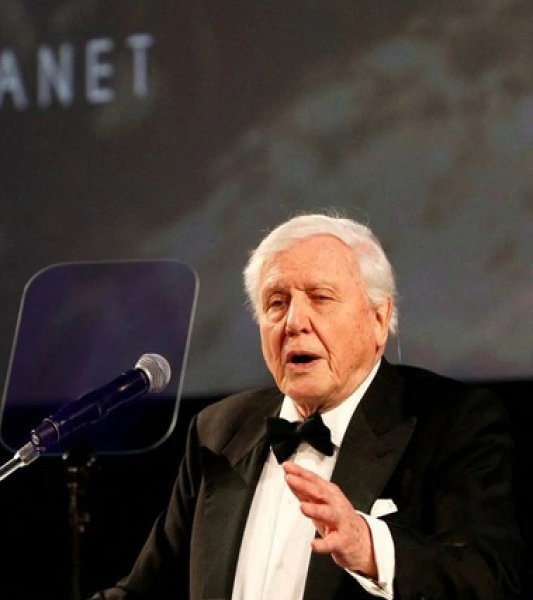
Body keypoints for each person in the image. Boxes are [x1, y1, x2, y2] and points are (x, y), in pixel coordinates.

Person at [89, 212, 525, 599]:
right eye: (276, 303)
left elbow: (488, 580)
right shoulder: (218, 431)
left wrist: (370, 548)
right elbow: (150, 589)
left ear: (378, 319)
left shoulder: (453, 422)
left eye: (320, 297)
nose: (295, 322)